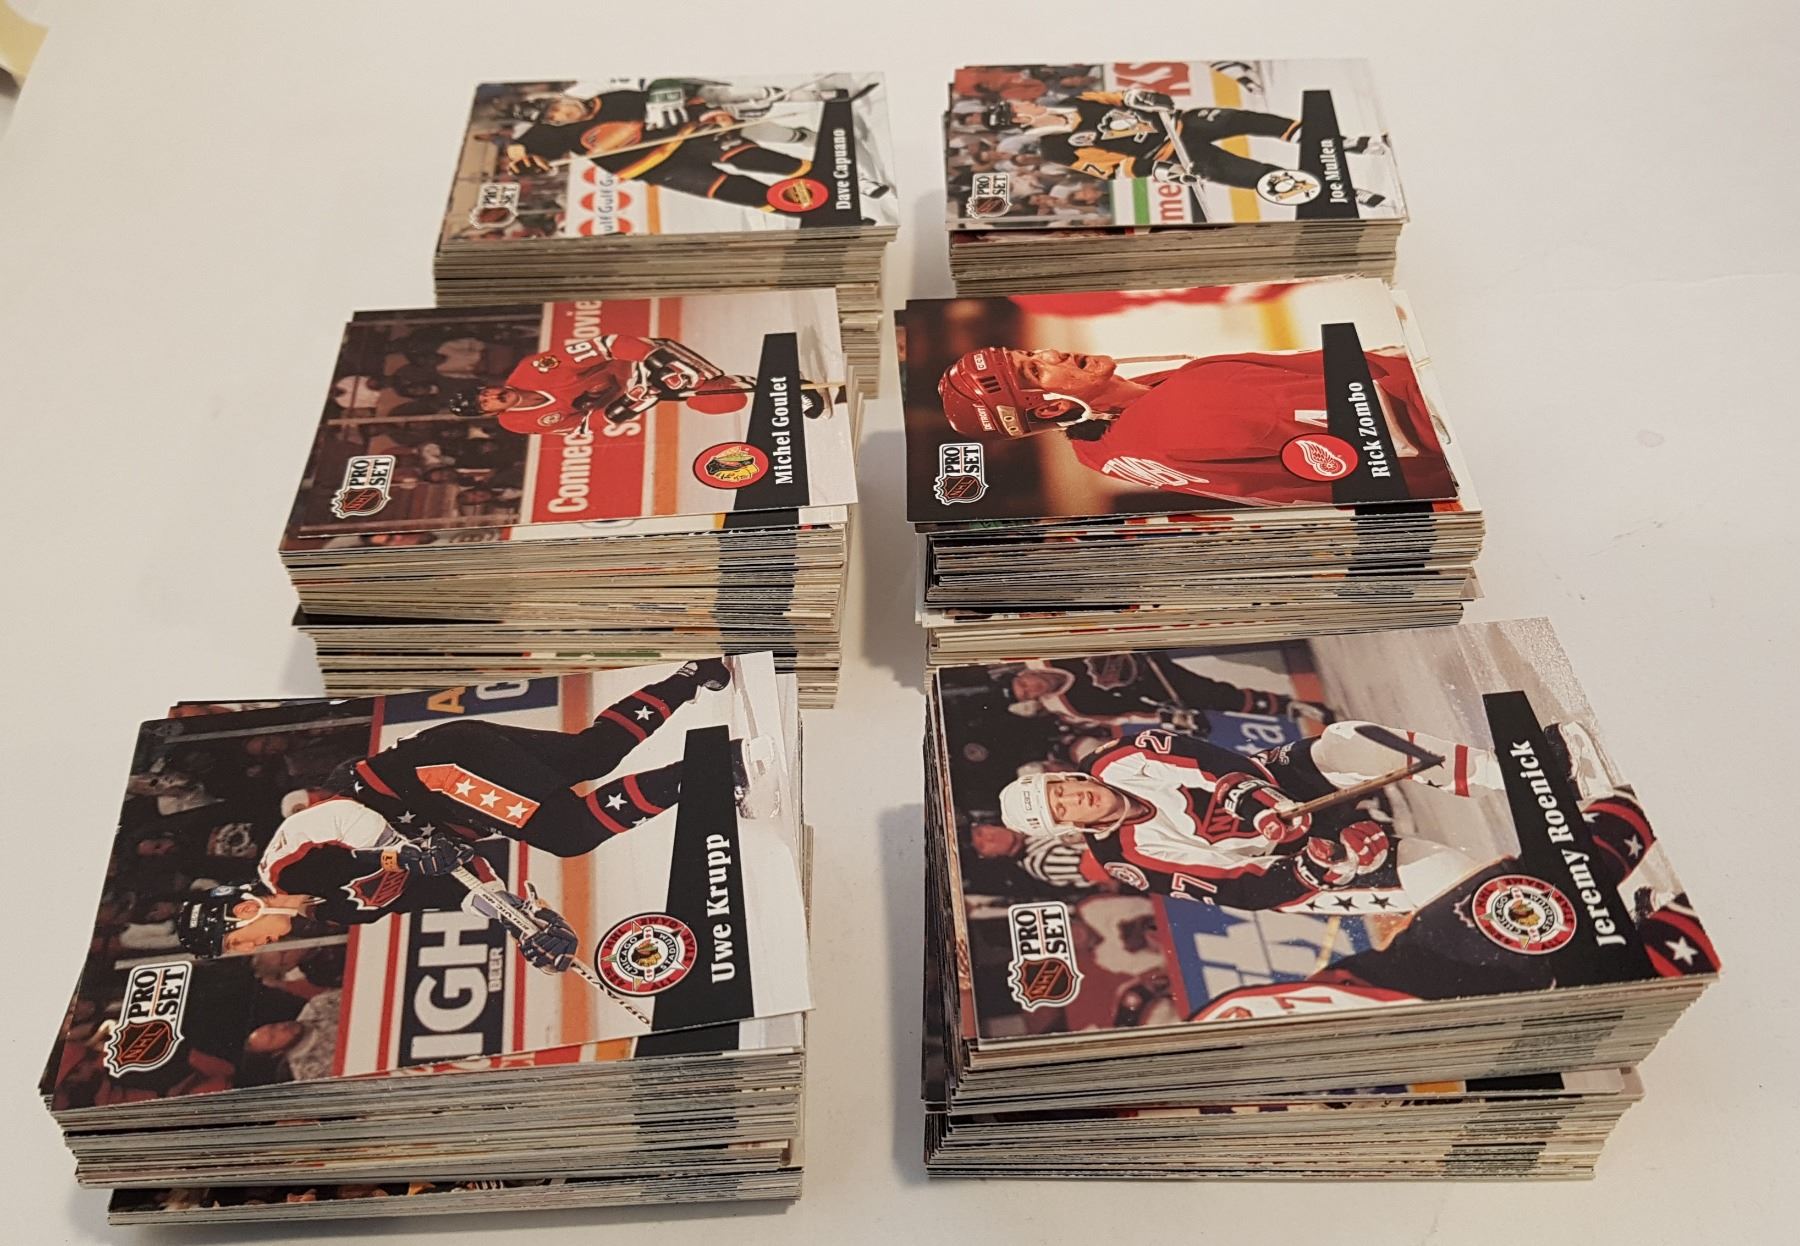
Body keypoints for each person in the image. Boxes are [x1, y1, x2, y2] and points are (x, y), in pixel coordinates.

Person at [175, 660, 767, 975]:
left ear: (242, 910)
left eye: (236, 940)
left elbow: (337, 818)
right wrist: (522, 921)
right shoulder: (343, 910)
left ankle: (721, 768)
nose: (250, 948)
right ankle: (690, 677)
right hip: (453, 777)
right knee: (591, 755)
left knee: (569, 831)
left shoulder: (284, 868)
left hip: (437, 772)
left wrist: (400, 852)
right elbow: (454, 879)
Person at [997, 719, 1496, 915]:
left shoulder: (1114, 758)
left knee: (1349, 741)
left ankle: (1502, 771)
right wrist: (1317, 866)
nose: (1074, 798)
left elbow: (1207, 761)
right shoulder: (1124, 859)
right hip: (1290, 864)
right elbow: (1238, 890)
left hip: (1277, 785)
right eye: (1060, 809)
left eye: (1061, 788)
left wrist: (1256, 803)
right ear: (1069, 829)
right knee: (1447, 877)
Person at [937, 344, 1455, 506]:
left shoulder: (1108, 443)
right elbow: (1397, 422)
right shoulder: (1185, 407)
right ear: (1050, 409)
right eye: (1034, 370)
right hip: (1447, 429)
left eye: (1028, 352)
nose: (1050, 351)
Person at [985, 89, 1386, 206]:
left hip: (1178, 123)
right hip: (1175, 154)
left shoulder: (1074, 100)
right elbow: (1112, 169)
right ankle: (1340, 191)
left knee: (1245, 119)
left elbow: (1122, 97)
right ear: (1017, 120)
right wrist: (1166, 172)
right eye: (1016, 107)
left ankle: (1345, 143)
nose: (1023, 102)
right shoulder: (1056, 150)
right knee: (1256, 176)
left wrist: (1144, 98)